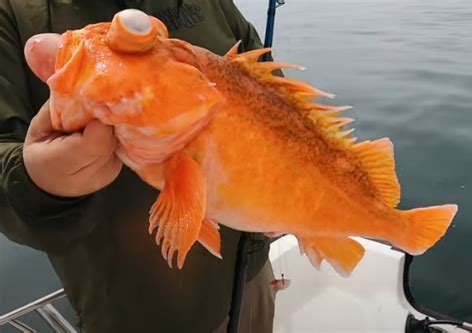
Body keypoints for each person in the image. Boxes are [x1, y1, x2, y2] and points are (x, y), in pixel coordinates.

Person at [0, 0, 275, 332]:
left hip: (251, 275)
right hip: (134, 309)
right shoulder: (13, 13)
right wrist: (38, 184)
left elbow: (268, 84)